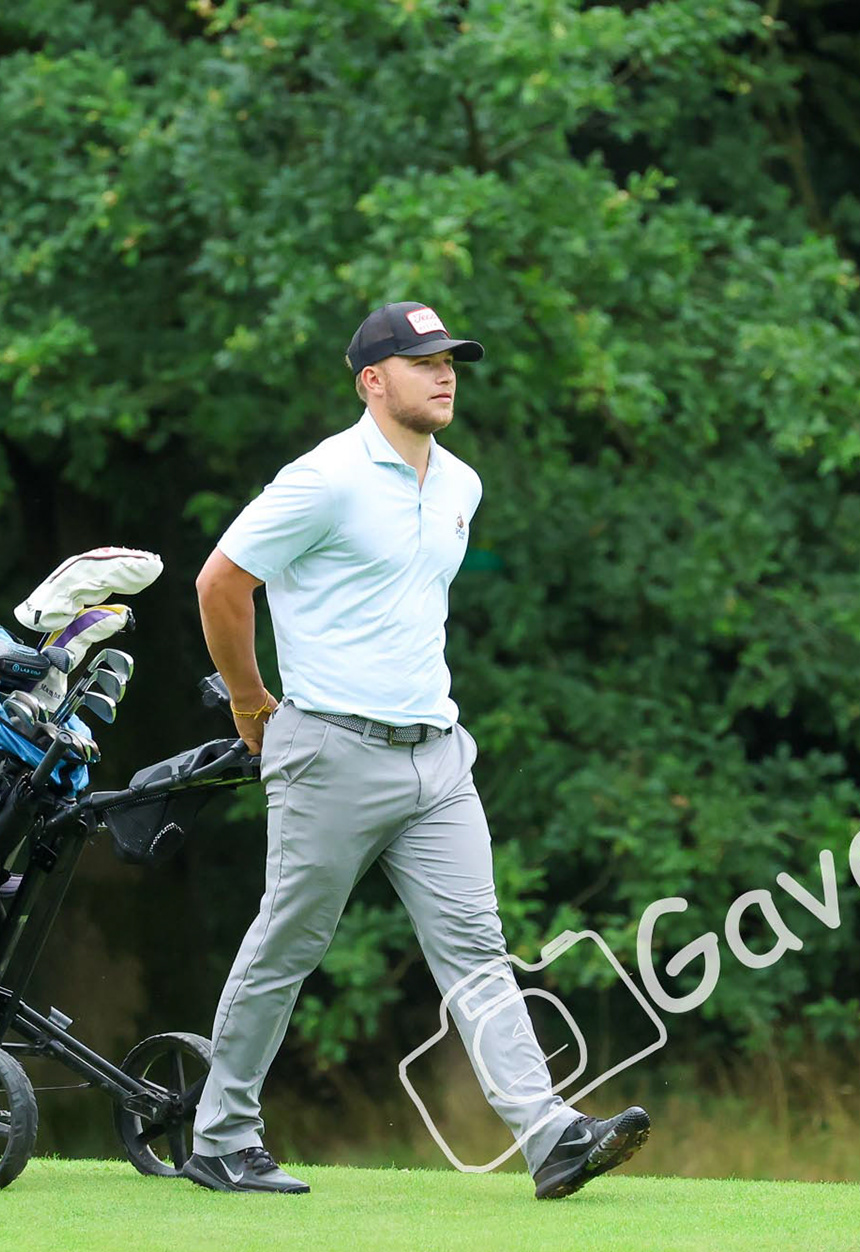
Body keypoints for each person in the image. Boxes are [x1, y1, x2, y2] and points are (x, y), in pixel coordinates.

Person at [184, 301, 649, 1200]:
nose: (445, 374)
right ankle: (220, 1136)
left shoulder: (461, 484)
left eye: (452, 360)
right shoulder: (322, 479)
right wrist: (250, 698)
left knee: (479, 950)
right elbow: (221, 581)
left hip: (438, 756)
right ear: (372, 380)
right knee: (289, 943)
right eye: (423, 360)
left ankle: (550, 1136)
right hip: (328, 750)